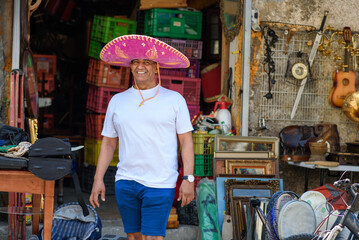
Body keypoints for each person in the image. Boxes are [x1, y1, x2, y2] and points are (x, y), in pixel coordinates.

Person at [89, 34, 195, 240]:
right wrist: (98, 179)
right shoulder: (118, 101)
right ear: (129, 66)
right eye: (135, 62)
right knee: (134, 236)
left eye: (146, 62)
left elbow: (186, 142)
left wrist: (188, 178)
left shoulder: (174, 100)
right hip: (126, 181)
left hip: (161, 182)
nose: (140, 66)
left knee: (154, 238)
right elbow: (109, 143)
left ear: (156, 67)